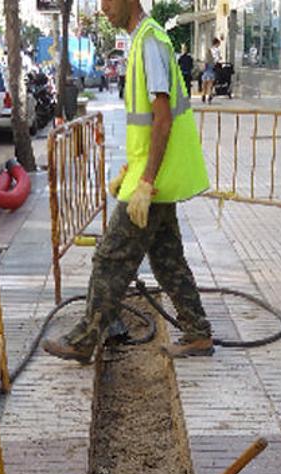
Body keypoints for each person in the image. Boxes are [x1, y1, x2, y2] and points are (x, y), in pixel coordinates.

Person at [42, 0, 212, 363]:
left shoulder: (150, 41)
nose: (102, 8)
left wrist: (146, 181)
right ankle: (198, 333)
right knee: (168, 260)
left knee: (110, 256)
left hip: (154, 181)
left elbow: (162, 119)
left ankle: (86, 338)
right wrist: (132, 170)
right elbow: (145, 124)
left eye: (106, 0)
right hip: (152, 176)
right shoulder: (142, 41)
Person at [201, 38, 220, 103]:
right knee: (210, 85)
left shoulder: (206, 58)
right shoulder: (216, 51)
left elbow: (203, 65)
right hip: (211, 71)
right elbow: (217, 60)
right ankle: (209, 96)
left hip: (205, 72)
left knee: (204, 85)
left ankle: (203, 95)